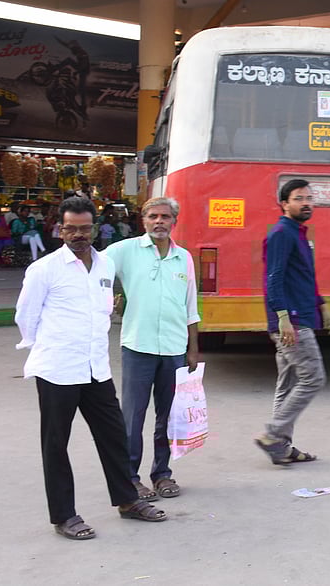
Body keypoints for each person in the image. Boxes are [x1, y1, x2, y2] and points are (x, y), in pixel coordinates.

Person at [14, 196, 167, 540]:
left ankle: (128, 501)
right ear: (60, 229)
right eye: (72, 228)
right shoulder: (44, 269)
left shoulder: (104, 266)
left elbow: (101, 311)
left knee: (114, 437)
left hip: (96, 369)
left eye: (85, 228)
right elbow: (26, 316)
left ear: (94, 229)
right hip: (57, 370)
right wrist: (50, 346)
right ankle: (64, 516)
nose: (79, 235)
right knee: (56, 444)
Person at [103, 196, 201, 500]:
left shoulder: (183, 257)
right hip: (138, 346)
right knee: (132, 416)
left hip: (174, 348)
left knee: (168, 416)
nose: (159, 222)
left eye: (165, 217)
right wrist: (110, 296)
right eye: (153, 217)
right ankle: (130, 478)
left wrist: (193, 348)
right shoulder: (125, 250)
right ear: (143, 221)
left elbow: (191, 306)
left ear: (174, 221)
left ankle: (162, 474)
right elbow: (93, 268)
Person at [254, 179, 330, 465]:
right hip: (292, 321)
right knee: (313, 379)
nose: (307, 202)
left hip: (300, 314)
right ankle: (273, 434)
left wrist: (321, 303)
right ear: (284, 204)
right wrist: (283, 318)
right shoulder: (281, 234)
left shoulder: (298, 233)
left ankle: (281, 448)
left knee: (287, 385)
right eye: (299, 198)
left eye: (310, 197)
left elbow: (301, 276)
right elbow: (273, 279)